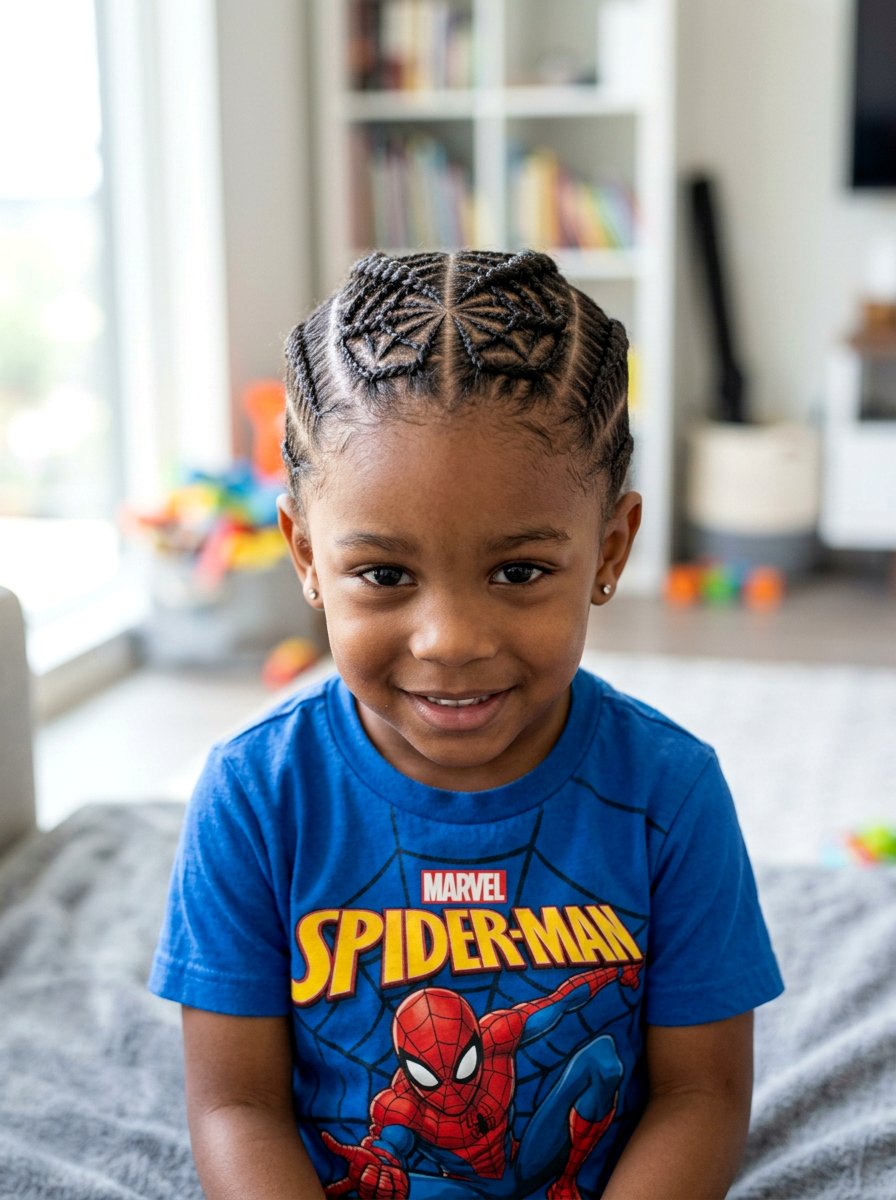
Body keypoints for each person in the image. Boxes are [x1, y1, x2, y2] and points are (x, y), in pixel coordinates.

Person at [149, 249, 783, 1200]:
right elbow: (236, 1107)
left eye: (519, 572)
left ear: (610, 551)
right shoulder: (254, 798)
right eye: (386, 575)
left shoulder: (669, 794)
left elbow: (701, 1093)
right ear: (306, 554)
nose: (450, 641)